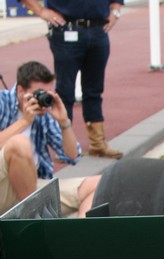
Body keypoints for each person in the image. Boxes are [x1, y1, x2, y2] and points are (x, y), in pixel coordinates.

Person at [19, 0, 123, 159]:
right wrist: (41, 11)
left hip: (99, 29)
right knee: (65, 92)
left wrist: (115, 11)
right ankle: (63, 147)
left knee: (94, 90)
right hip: (67, 29)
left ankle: (97, 143)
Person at [0, 61, 99, 217]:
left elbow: (72, 156)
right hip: (4, 185)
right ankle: (34, 221)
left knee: (98, 185)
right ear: (20, 90)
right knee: (19, 144)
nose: (43, 99)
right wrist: (24, 122)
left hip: (32, 186)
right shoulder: (2, 101)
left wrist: (64, 122)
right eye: (39, 93)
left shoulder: (43, 112)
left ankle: (80, 232)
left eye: (48, 93)